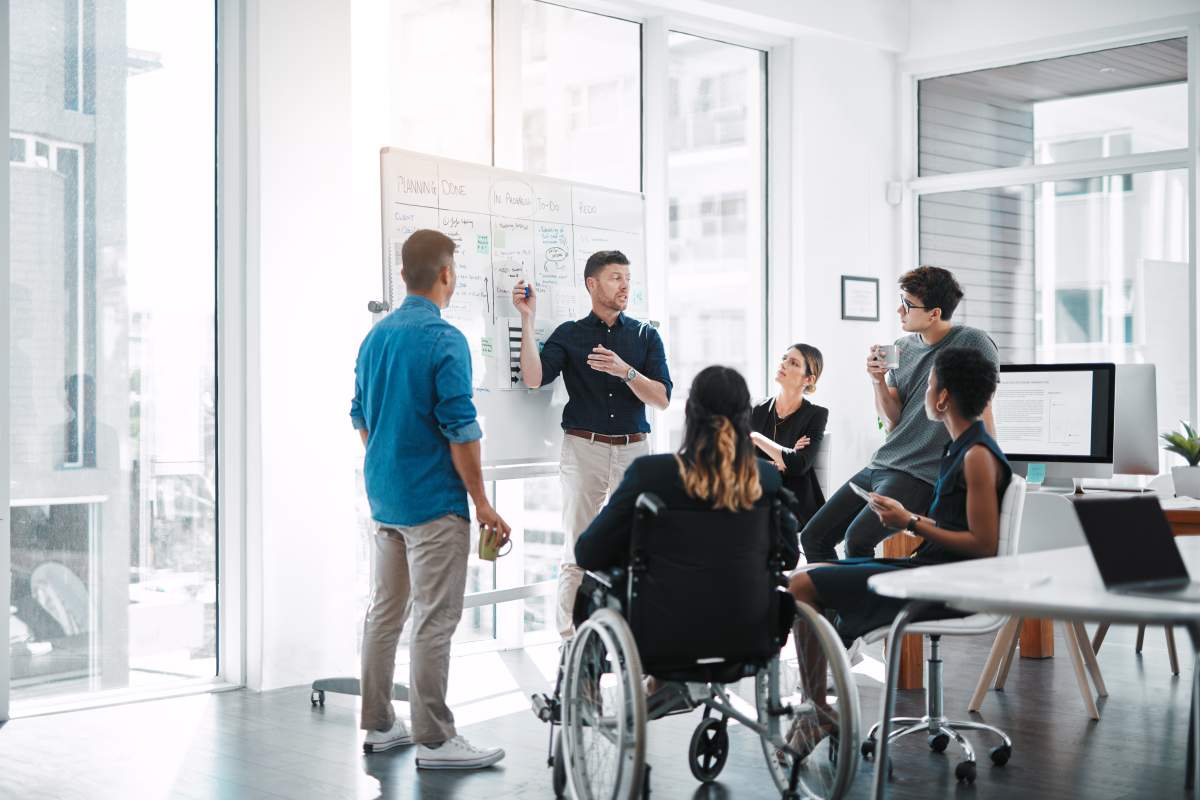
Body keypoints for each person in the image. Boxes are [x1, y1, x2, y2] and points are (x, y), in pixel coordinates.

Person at [785, 347, 1011, 756]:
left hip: (944, 585)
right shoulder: (961, 448)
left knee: (802, 583)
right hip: (929, 571)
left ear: (942, 399)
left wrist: (909, 521)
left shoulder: (976, 456)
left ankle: (817, 709)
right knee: (804, 577)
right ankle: (819, 699)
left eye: (927, 384)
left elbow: (983, 544)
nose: (923, 392)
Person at [351, 229, 510, 768]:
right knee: (433, 622)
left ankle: (378, 727)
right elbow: (461, 430)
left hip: (385, 499)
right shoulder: (445, 341)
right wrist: (483, 504)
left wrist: (388, 462)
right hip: (434, 505)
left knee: (385, 614)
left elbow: (360, 416)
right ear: (447, 275)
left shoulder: (376, 338)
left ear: (402, 276)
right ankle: (436, 740)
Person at [512, 250, 672, 639]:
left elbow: (662, 398)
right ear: (592, 284)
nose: (625, 286)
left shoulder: (645, 335)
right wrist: (528, 319)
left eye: (628, 278)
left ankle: (633, 640)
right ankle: (571, 644)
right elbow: (533, 379)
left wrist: (626, 371)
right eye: (616, 277)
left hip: (635, 450)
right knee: (579, 548)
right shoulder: (569, 334)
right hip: (585, 449)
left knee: (638, 548)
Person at [798, 266, 998, 563]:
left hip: (920, 473)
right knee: (813, 537)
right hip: (883, 462)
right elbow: (893, 418)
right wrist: (877, 380)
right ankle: (835, 608)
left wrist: (988, 467)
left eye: (907, 304)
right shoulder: (902, 348)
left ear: (934, 313)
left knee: (857, 540)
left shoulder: (973, 342)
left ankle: (862, 609)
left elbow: (983, 407)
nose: (898, 310)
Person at [574, 365, 798, 573]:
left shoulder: (649, 475)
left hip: (662, 613)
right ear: (746, 418)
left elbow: (588, 554)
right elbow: (789, 557)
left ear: (688, 412)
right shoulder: (764, 478)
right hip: (749, 613)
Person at [749, 344, 829, 527]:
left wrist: (755, 438)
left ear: (808, 379)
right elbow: (738, 459)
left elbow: (799, 464)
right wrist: (782, 459)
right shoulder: (756, 409)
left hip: (793, 502)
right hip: (756, 495)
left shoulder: (816, 415)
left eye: (793, 362)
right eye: (784, 358)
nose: (783, 364)